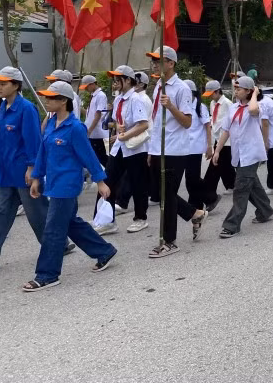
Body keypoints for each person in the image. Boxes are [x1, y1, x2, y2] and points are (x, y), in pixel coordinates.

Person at [0, 67, 68, 277]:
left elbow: (33, 141)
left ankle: (60, 245)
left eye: (3, 84)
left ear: (16, 85)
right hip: (4, 173)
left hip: (24, 173)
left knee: (38, 213)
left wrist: (32, 169)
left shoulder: (26, 109)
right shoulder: (3, 108)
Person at [23, 81, 117, 292]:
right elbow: (42, 153)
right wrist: (36, 178)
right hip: (52, 182)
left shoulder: (75, 128)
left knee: (53, 230)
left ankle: (47, 274)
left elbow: (88, 156)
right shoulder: (50, 123)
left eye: (51, 97)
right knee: (70, 223)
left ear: (64, 100)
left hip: (67, 185)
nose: (46, 100)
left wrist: (100, 181)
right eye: (46, 96)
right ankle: (104, 251)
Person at [145, 47, 207, 258]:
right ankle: (195, 213)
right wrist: (151, 150)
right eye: (154, 61)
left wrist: (171, 106)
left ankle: (169, 241)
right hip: (158, 147)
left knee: (167, 197)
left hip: (174, 149)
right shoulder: (158, 86)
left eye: (159, 61)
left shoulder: (181, 88)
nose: (155, 64)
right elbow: (156, 122)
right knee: (161, 194)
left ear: (171, 63)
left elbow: (188, 122)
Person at [213, 76, 273, 238]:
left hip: (251, 153)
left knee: (240, 188)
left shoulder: (257, 106)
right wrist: (217, 150)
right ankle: (265, 211)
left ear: (248, 91)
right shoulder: (233, 108)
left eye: (239, 89)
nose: (236, 91)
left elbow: (252, 110)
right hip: (239, 154)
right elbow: (226, 131)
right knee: (252, 185)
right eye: (235, 89)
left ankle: (232, 225)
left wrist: (255, 94)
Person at [99, 65, 151, 235]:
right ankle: (106, 220)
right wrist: (118, 129)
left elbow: (143, 124)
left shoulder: (136, 99)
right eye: (114, 79)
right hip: (120, 146)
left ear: (128, 80)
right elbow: (118, 122)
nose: (115, 82)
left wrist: (124, 135)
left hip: (135, 147)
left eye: (118, 79)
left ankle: (140, 218)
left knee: (138, 183)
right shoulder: (118, 99)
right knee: (107, 180)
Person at [183, 80, 218, 213]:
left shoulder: (200, 107)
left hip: (196, 147)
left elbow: (208, 127)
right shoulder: (182, 106)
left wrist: (209, 146)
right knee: (191, 179)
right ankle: (203, 202)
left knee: (192, 178)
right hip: (184, 147)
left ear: (192, 93)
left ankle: (205, 200)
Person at [77, 75, 109, 168]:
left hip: (95, 132)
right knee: (97, 155)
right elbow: (90, 113)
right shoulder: (94, 96)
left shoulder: (100, 96)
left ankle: (112, 172)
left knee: (100, 156)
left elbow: (98, 114)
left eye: (86, 87)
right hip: (92, 131)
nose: (86, 89)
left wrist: (90, 130)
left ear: (92, 84)